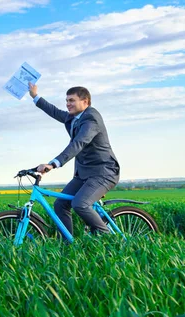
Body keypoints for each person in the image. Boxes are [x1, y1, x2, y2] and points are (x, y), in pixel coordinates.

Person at [28, 82, 120, 237]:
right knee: (60, 204)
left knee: (80, 204)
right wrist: (35, 96)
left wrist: (53, 164)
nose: (68, 104)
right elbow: (55, 112)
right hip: (84, 174)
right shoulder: (74, 118)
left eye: (72, 100)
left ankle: (109, 238)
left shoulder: (91, 119)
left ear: (85, 102)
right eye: (67, 100)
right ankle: (67, 244)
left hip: (103, 173)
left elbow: (79, 143)